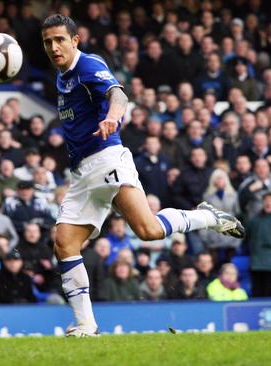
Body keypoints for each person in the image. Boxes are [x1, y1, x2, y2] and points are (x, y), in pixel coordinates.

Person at [41, 14, 243, 337]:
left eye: (60, 39)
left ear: (75, 40)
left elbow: (119, 95)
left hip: (107, 160)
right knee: (64, 243)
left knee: (148, 231)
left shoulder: (89, 65)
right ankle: (86, 326)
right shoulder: (61, 76)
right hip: (81, 173)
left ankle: (205, 217)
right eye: (48, 42)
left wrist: (112, 117)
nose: (54, 47)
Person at [245, 192, 271, 298]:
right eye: (266, 200)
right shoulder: (255, 219)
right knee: (258, 293)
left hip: (267, 263)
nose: (268, 203)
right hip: (256, 263)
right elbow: (247, 236)